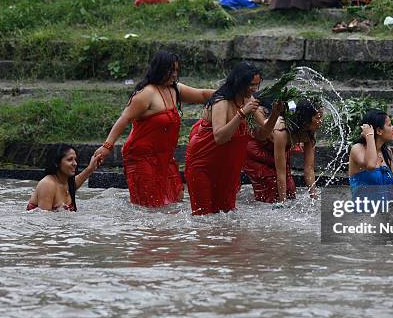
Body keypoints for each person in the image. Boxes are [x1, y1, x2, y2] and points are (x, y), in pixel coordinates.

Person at [92, 51, 215, 208]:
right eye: (171, 71)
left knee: (174, 199)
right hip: (141, 158)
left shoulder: (175, 89)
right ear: (159, 70)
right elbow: (124, 119)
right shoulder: (146, 93)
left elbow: (203, 95)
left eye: (177, 71)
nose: (174, 75)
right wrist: (107, 146)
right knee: (149, 207)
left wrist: (231, 92)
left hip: (165, 157)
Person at [185, 62, 283, 215]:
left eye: (257, 85)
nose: (255, 90)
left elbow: (263, 133)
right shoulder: (221, 102)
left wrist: (275, 114)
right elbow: (219, 137)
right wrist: (242, 114)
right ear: (239, 82)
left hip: (228, 167)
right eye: (251, 85)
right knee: (203, 217)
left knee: (226, 214)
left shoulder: (248, 100)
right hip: (203, 165)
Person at [244, 99, 323, 203]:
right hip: (257, 151)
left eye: (321, 116)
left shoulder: (310, 132)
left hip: (276, 150)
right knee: (272, 195)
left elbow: (309, 168)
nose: (321, 121)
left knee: (290, 193)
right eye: (318, 117)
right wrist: (282, 203)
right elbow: (280, 172)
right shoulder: (282, 132)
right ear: (306, 120)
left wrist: (314, 198)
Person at [348, 109, 393, 202]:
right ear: (379, 131)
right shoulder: (357, 149)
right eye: (389, 125)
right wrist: (369, 135)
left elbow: (392, 189)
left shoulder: (387, 152)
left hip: (384, 212)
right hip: (362, 214)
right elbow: (371, 165)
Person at [27, 144, 101, 211]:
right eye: (70, 160)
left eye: (75, 159)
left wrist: (91, 168)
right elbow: (44, 221)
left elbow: (79, 179)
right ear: (56, 163)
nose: (75, 164)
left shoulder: (68, 184)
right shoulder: (47, 184)